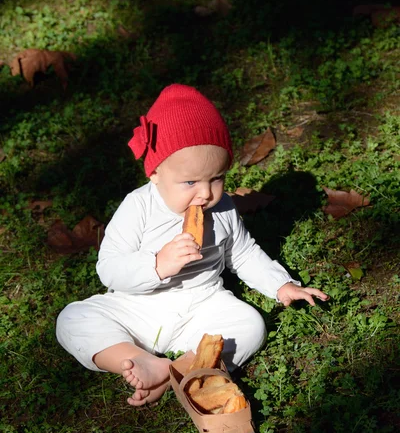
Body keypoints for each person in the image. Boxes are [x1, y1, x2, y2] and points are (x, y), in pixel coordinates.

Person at [56, 84, 328, 407]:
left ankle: (176, 372)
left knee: (251, 325)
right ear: (155, 173)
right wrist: (156, 264)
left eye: (216, 178)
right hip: (138, 304)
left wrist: (280, 284)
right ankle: (134, 358)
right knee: (72, 319)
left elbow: (243, 253)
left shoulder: (224, 208)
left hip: (202, 303)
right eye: (190, 182)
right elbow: (109, 268)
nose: (205, 194)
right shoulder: (138, 207)